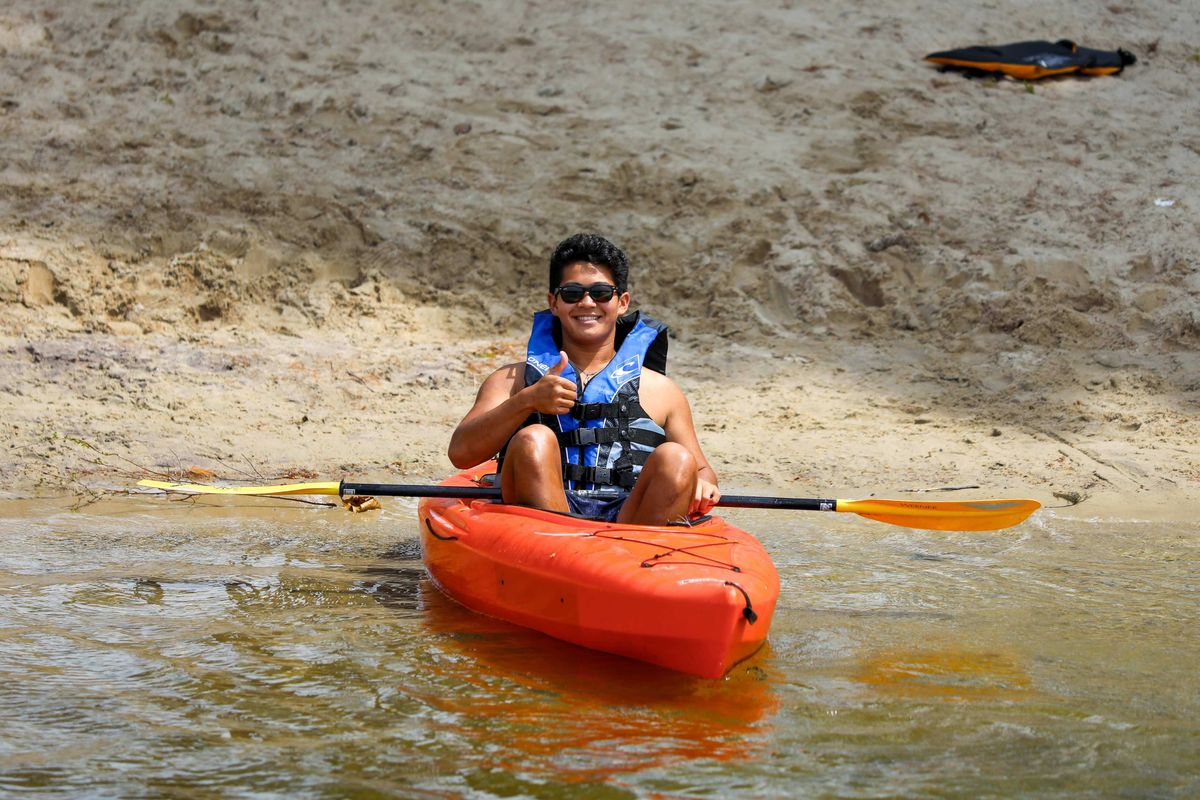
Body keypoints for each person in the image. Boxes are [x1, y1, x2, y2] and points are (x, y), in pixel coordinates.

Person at [447, 233, 720, 525]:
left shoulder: (662, 390)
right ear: (554, 303)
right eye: (572, 293)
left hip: (633, 522)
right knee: (533, 438)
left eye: (601, 293)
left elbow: (703, 471)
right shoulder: (512, 380)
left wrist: (704, 484)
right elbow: (461, 454)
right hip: (543, 519)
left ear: (622, 302)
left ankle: (628, 551)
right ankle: (562, 543)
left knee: (677, 457)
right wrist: (527, 400)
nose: (587, 303)